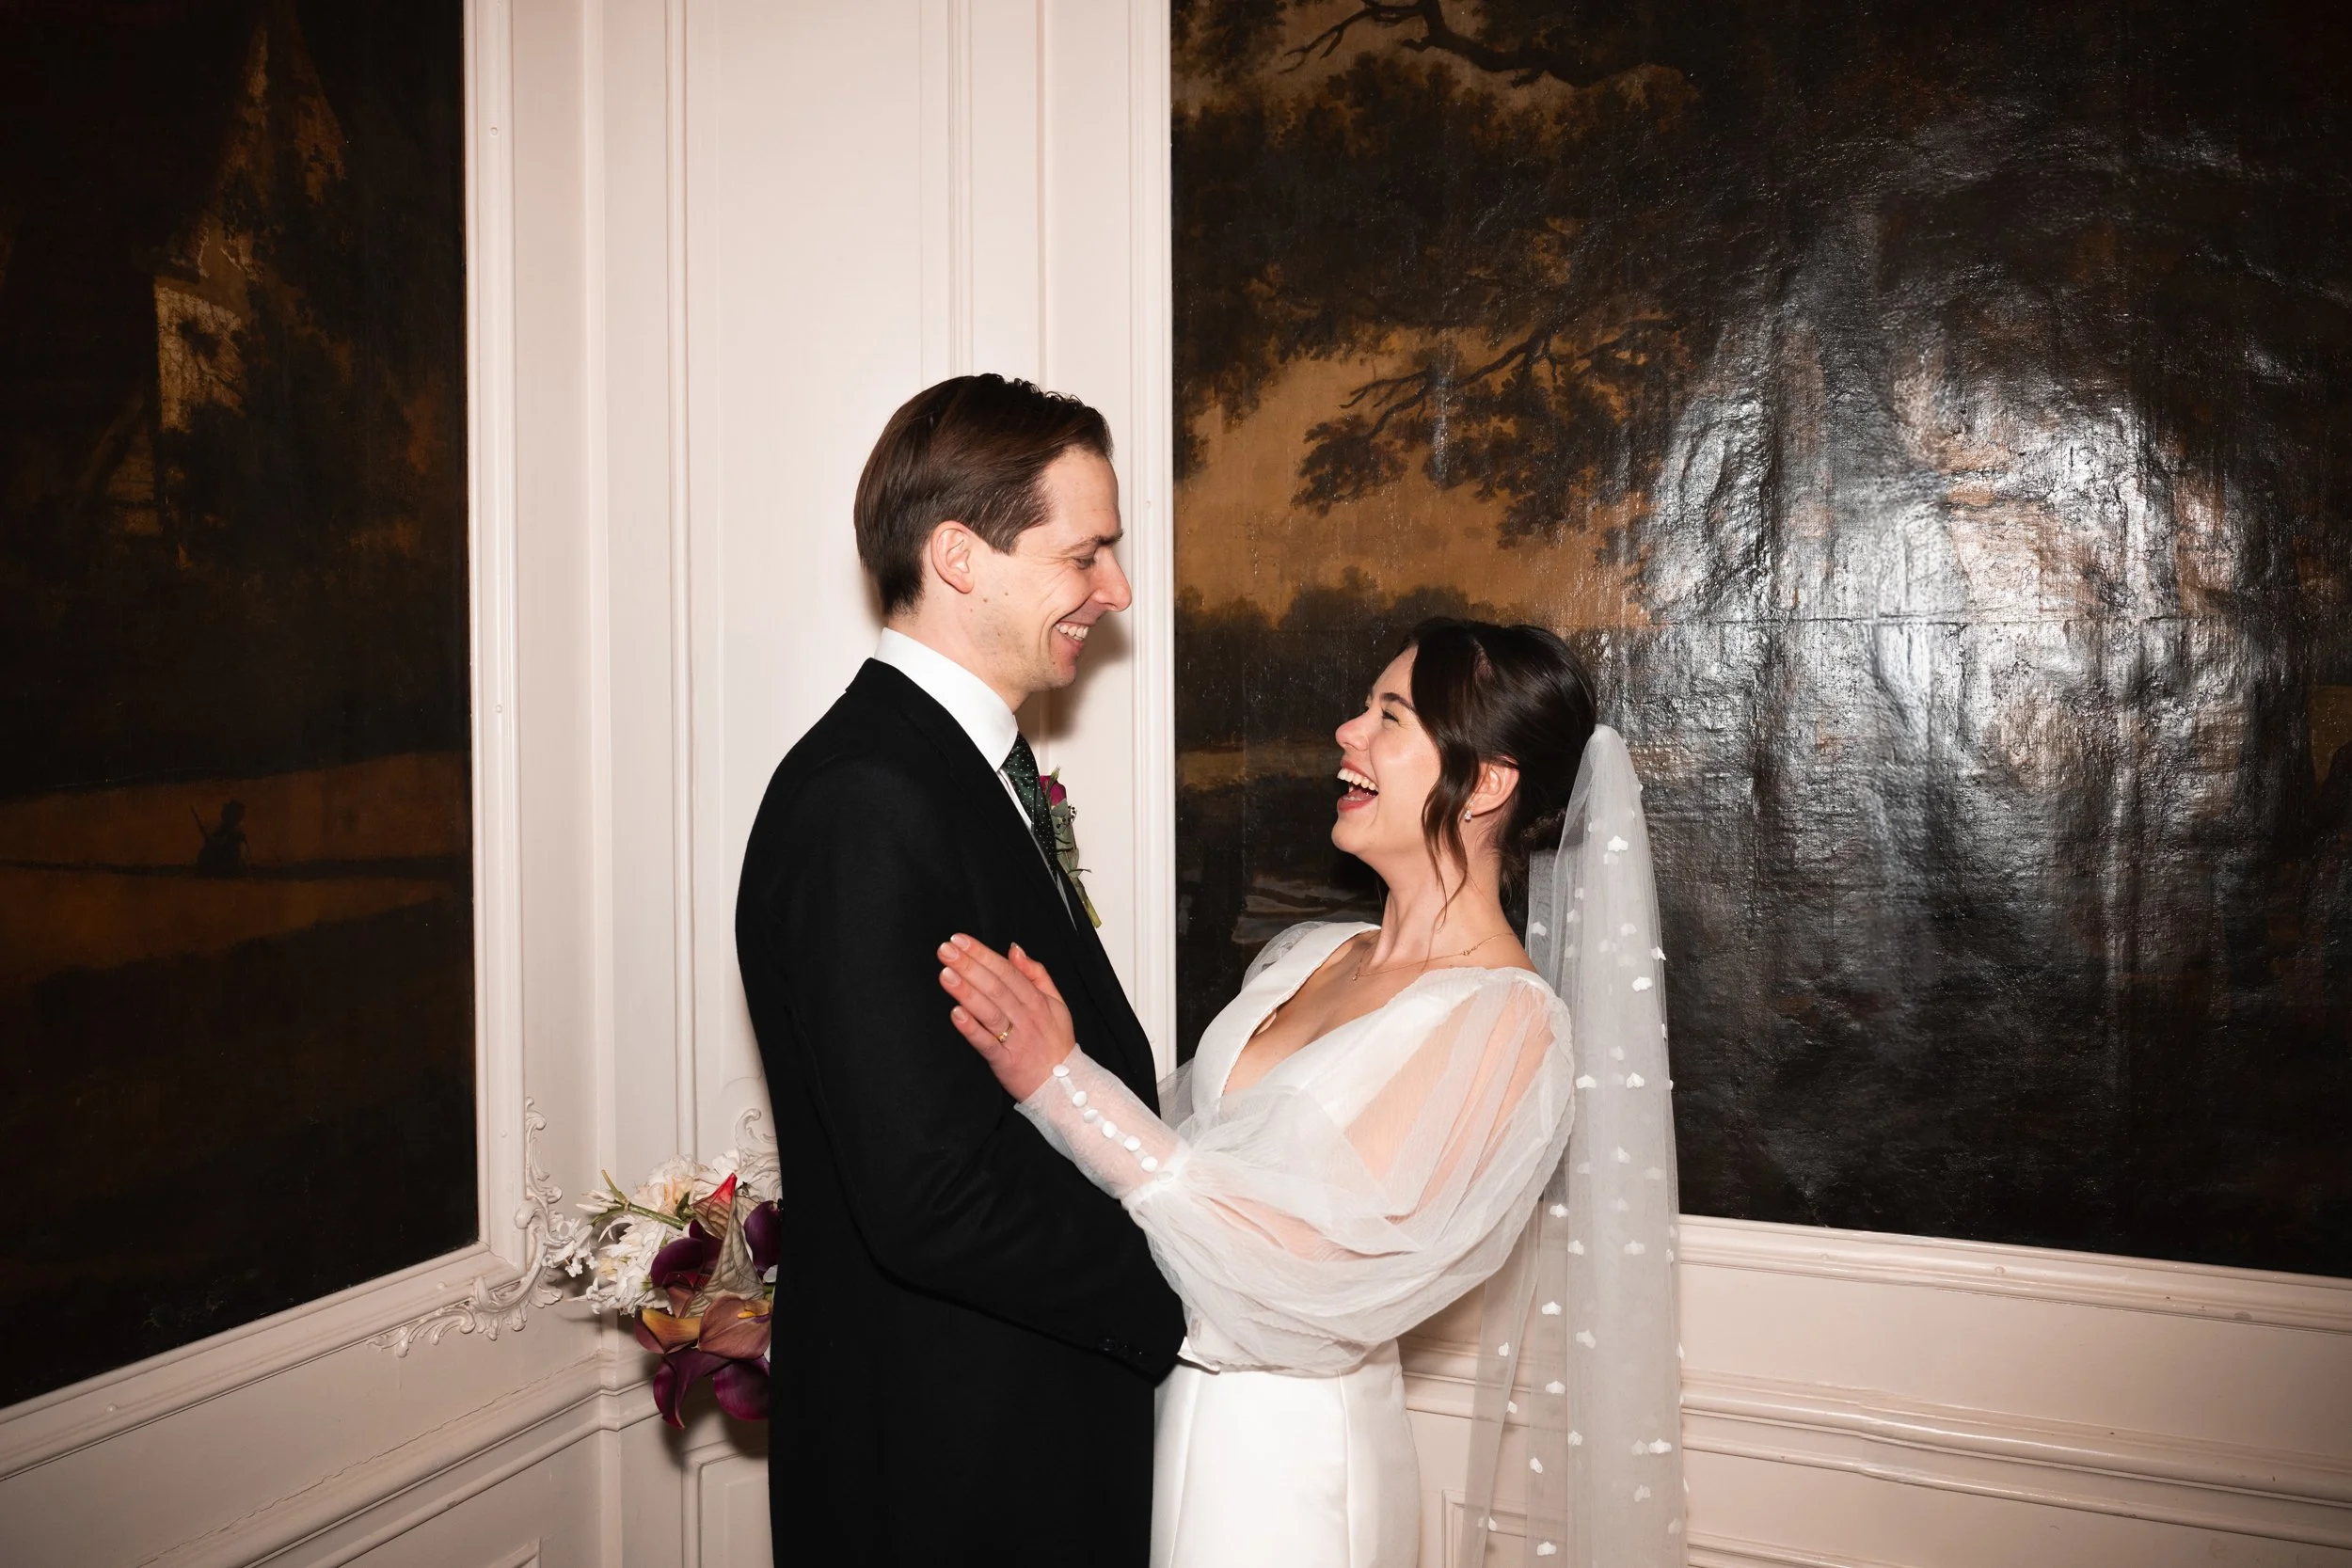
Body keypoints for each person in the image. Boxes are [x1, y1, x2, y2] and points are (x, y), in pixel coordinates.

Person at [941, 617, 1668, 1567]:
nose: (1345, 732)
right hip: (1156, 1411)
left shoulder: (1508, 1024)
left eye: (1389, 714)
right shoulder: (1307, 954)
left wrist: (1061, 1082)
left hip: (1288, 1471)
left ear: (1486, 781)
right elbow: (1166, 1158)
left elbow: (1310, 1272)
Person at [735, 374, 1185, 1566]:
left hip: (1019, 1435)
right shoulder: (864, 800)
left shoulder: (966, 771)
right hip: (948, 1475)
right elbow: (929, 1200)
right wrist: (1187, 1290)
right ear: (959, 555)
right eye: (1085, 553)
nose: (1118, 590)